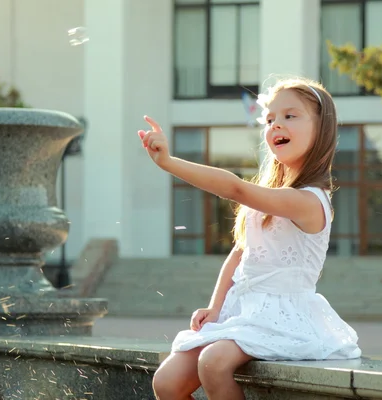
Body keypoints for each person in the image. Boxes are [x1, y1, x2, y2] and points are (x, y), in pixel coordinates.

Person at [138, 77, 361, 400]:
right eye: (269, 119)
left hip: (283, 314)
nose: (275, 125)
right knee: (167, 382)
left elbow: (236, 188)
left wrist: (170, 163)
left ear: (321, 128)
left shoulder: (309, 200)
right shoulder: (273, 196)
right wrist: (215, 307)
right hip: (242, 309)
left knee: (213, 362)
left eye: (290, 116)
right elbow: (241, 254)